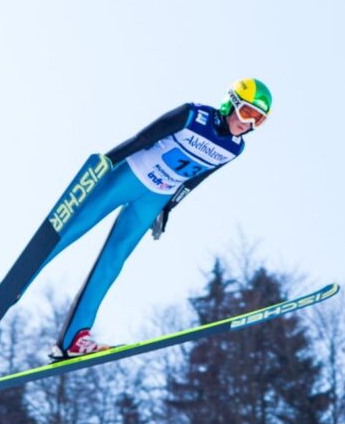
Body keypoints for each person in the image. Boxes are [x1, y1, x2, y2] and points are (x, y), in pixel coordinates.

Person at [46, 78, 272, 360]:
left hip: (156, 198)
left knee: (113, 261)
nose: (248, 123)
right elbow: (143, 138)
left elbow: (195, 179)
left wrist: (168, 208)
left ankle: (73, 339)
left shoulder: (235, 148)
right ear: (232, 102)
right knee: (73, 228)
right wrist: (108, 161)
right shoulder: (192, 115)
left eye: (258, 120)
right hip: (129, 176)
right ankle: (19, 282)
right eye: (247, 113)